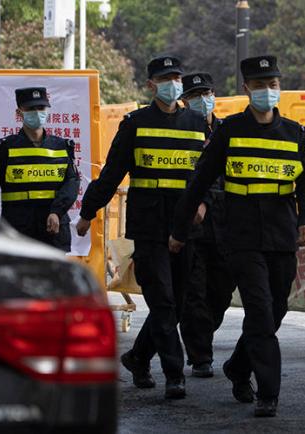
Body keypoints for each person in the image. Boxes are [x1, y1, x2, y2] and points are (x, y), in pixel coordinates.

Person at [169, 55, 305, 417]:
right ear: (246, 89)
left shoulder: (296, 134)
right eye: (260, 86)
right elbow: (200, 181)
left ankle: (238, 366)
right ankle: (268, 391)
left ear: (279, 88)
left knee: (276, 309)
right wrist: (179, 229)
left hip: (282, 237)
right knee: (259, 310)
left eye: (273, 85)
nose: (267, 91)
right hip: (241, 238)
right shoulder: (230, 131)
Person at [75, 55, 207, 400]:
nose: (173, 83)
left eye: (177, 77)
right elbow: (112, 173)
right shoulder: (135, 123)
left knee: (175, 303)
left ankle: (137, 357)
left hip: (184, 225)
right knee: (161, 300)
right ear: (151, 85)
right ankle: (174, 374)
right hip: (148, 226)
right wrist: (88, 212)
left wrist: (205, 203)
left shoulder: (197, 122)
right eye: (165, 78)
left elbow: (208, 174)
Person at [0, 87, 79, 252]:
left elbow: (71, 182)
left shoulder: (62, 146)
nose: (37, 113)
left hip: (53, 232)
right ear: (19, 112)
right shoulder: (5, 149)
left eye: (41, 108)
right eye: (30, 109)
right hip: (18, 233)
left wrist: (57, 211)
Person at [179, 72, 235, 378]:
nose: (204, 99)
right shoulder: (182, 129)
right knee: (194, 292)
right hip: (194, 224)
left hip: (225, 224)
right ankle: (200, 354)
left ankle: (201, 333)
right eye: (196, 95)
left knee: (221, 291)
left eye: (207, 93)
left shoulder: (228, 129)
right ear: (185, 101)